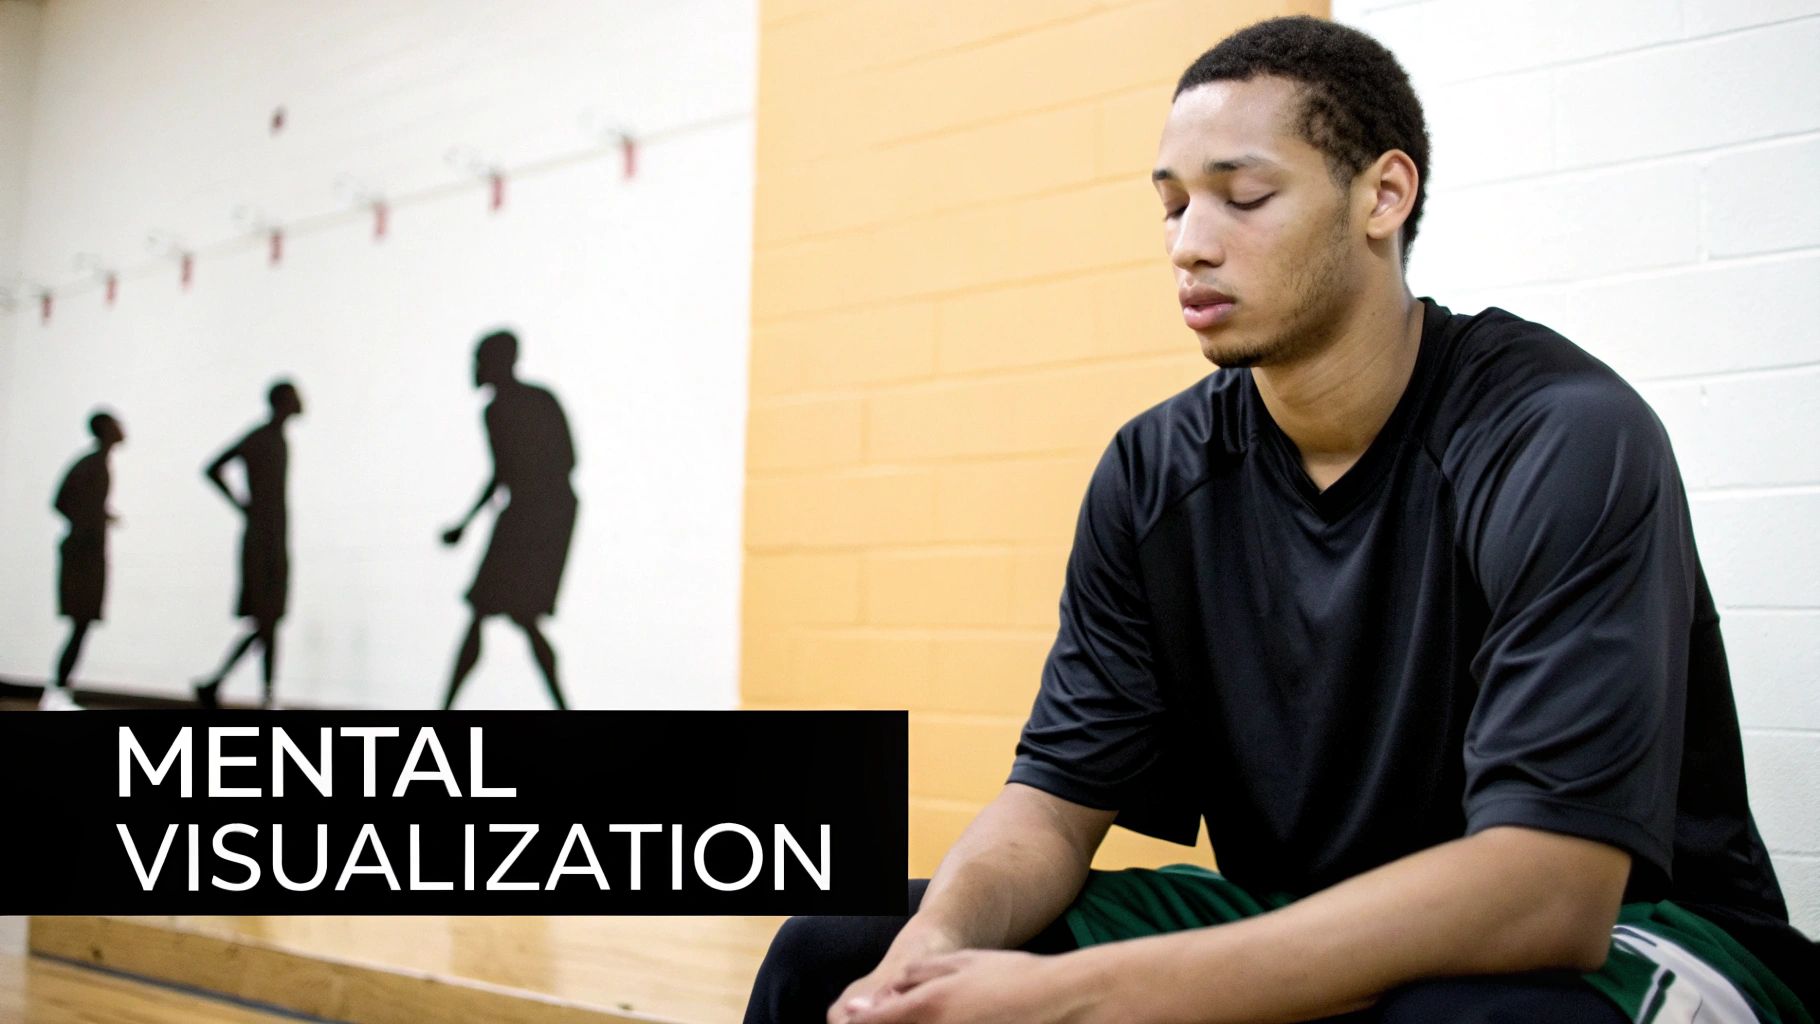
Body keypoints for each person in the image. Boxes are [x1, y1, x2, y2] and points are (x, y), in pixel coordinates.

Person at [744, 16, 1817, 1024]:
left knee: (1456, 1017)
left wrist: (1071, 997)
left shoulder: (1560, 434)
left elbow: (1548, 890)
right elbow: (1050, 810)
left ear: (1381, 196)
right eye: (1171, 205)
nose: (1188, 245)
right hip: (1297, 906)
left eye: (1241, 197)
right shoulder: (1152, 470)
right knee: (835, 944)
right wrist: (928, 953)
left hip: (1635, 938)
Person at [440, 329, 577, 710]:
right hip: (535, 514)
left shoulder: (513, 407)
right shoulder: (502, 408)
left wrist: (466, 525)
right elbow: (504, 474)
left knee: (502, 613)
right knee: (516, 617)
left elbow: (530, 468)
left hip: (537, 517)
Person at [194, 380, 303, 710]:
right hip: (263, 541)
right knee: (267, 622)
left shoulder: (275, 438)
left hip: (272, 537)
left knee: (268, 623)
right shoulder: (262, 438)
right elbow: (212, 468)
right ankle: (260, 694)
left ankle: (225, 685)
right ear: (283, 401)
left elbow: (214, 469)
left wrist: (244, 507)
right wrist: (243, 505)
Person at [41, 410, 125, 711]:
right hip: (82, 555)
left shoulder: (97, 464)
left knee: (82, 624)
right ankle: (58, 689)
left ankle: (60, 688)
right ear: (104, 429)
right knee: (80, 622)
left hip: (87, 552)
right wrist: (86, 526)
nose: (122, 428)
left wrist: (98, 517)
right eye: (116, 424)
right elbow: (61, 501)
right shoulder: (91, 464)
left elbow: (69, 502)